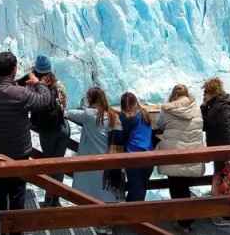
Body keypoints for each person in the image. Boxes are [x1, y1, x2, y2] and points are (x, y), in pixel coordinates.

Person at [0, 52, 51, 234]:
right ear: (14, 70)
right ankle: (16, 230)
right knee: (17, 191)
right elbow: (44, 100)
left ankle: (1, 228)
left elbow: (1, 95)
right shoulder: (20, 94)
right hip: (18, 150)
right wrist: (38, 83)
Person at [66, 87, 118, 235]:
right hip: (109, 158)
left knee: (91, 191)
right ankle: (107, 223)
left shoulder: (88, 115)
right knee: (106, 192)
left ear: (91, 100)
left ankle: (95, 221)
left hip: (91, 159)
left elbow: (70, 113)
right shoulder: (113, 115)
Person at [154, 84, 205, 233]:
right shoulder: (197, 108)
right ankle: (187, 219)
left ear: (173, 95)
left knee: (176, 188)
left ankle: (184, 222)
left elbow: (160, 124)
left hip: (174, 154)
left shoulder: (168, 109)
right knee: (184, 186)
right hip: (193, 153)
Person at [28, 54, 70, 207]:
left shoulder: (34, 85)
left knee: (48, 163)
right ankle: (56, 199)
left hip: (47, 131)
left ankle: (47, 199)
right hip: (63, 128)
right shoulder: (59, 84)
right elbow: (65, 104)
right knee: (59, 163)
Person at [200, 77, 230, 227]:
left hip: (224, 149)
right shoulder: (214, 105)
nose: (204, 94)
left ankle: (227, 216)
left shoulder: (222, 107)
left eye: (206, 92)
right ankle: (220, 209)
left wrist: (228, 154)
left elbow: (227, 130)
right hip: (219, 148)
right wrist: (203, 106)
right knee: (221, 177)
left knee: (225, 180)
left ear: (213, 92)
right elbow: (205, 124)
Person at [118, 92, 153, 202]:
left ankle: (137, 216)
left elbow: (121, 133)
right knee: (141, 187)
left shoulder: (126, 117)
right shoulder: (145, 113)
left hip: (133, 156)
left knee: (136, 190)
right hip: (150, 155)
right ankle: (131, 215)